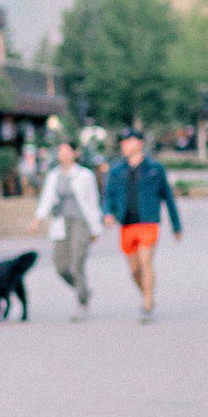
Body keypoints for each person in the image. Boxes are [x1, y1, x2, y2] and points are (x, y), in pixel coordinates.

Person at [103, 131, 183, 321]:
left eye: (128, 142)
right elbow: (108, 196)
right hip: (126, 224)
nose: (124, 145)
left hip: (148, 222)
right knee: (134, 269)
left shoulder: (154, 168)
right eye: (123, 142)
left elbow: (168, 198)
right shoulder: (116, 170)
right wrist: (107, 213)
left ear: (139, 143)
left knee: (146, 262)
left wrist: (176, 225)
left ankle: (148, 302)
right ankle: (146, 294)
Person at [33, 139, 102, 319]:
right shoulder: (54, 175)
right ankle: (84, 290)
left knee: (78, 261)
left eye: (66, 151)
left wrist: (96, 228)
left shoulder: (85, 175)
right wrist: (38, 218)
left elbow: (93, 202)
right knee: (61, 265)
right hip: (61, 222)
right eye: (60, 151)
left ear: (75, 153)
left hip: (81, 222)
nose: (62, 154)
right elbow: (46, 198)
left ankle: (81, 302)